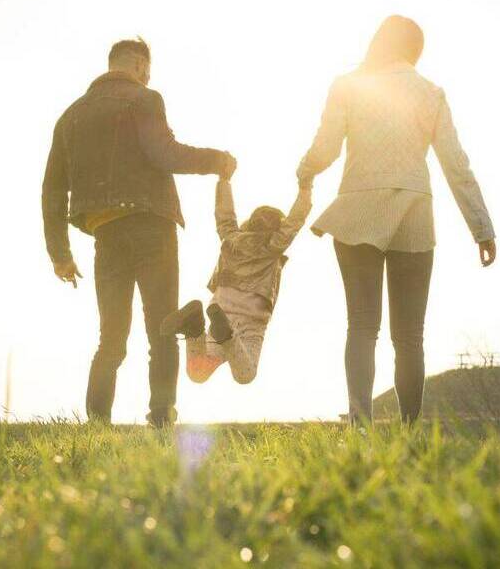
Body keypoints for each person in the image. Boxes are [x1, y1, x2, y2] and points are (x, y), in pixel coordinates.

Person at [297, 16, 497, 423]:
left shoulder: (348, 85)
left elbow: (326, 147)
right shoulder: (431, 94)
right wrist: (482, 228)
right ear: (416, 51)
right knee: (409, 337)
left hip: (358, 212)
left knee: (361, 325)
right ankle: (409, 431)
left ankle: (360, 426)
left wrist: (305, 172)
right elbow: (456, 165)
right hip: (413, 215)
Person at [42, 38, 237, 426]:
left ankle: (97, 423)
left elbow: (52, 190)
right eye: (147, 71)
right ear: (138, 65)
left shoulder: (71, 116)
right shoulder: (145, 99)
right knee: (162, 329)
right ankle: (162, 418)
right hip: (151, 227)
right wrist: (217, 161)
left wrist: (60, 254)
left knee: (111, 339)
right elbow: (165, 153)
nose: (148, 78)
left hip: (106, 234)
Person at [160, 173, 312, 385]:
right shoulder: (273, 245)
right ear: (278, 228)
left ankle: (194, 326)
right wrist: (306, 188)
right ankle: (226, 336)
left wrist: (224, 180)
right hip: (250, 323)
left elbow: (225, 216)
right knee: (245, 375)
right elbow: (295, 220)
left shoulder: (230, 238)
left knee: (198, 373)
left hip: (221, 312)